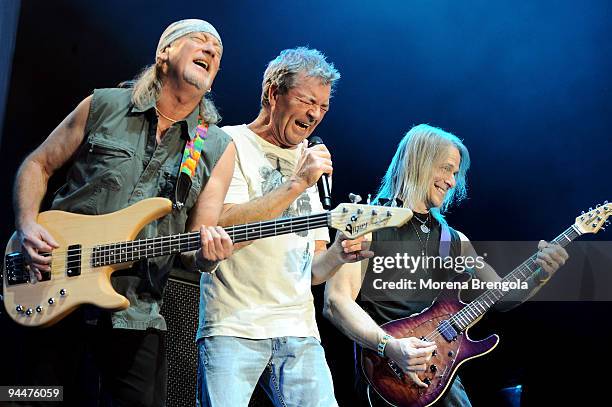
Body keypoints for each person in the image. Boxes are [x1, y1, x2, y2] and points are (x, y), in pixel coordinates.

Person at [12, 19, 234, 406]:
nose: (211, 50)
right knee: (28, 397)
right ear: (164, 53)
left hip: (136, 307)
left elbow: (195, 243)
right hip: (50, 282)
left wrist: (206, 256)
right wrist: (28, 223)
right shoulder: (104, 105)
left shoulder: (215, 145)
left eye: (217, 52)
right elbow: (38, 165)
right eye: (200, 41)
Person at [323, 124, 569, 406]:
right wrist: (391, 347)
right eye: (446, 169)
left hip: (441, 377)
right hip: (387, 376)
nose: (452, 181)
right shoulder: (366, 224)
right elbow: (335, 301)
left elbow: (502, 295)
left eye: (455, 173)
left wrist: (541, 275)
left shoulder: (454, 240)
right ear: (419, 162)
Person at [196, 47, 365, 407]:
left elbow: (313, 271)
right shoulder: (229, 143)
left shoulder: (310, 163)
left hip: (299, 331)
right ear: (274, 93)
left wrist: (339, 253)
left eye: (323, 108)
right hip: (234, 326)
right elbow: (219, 224)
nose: (315, 115)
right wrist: (294, 184)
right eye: (307, 101)